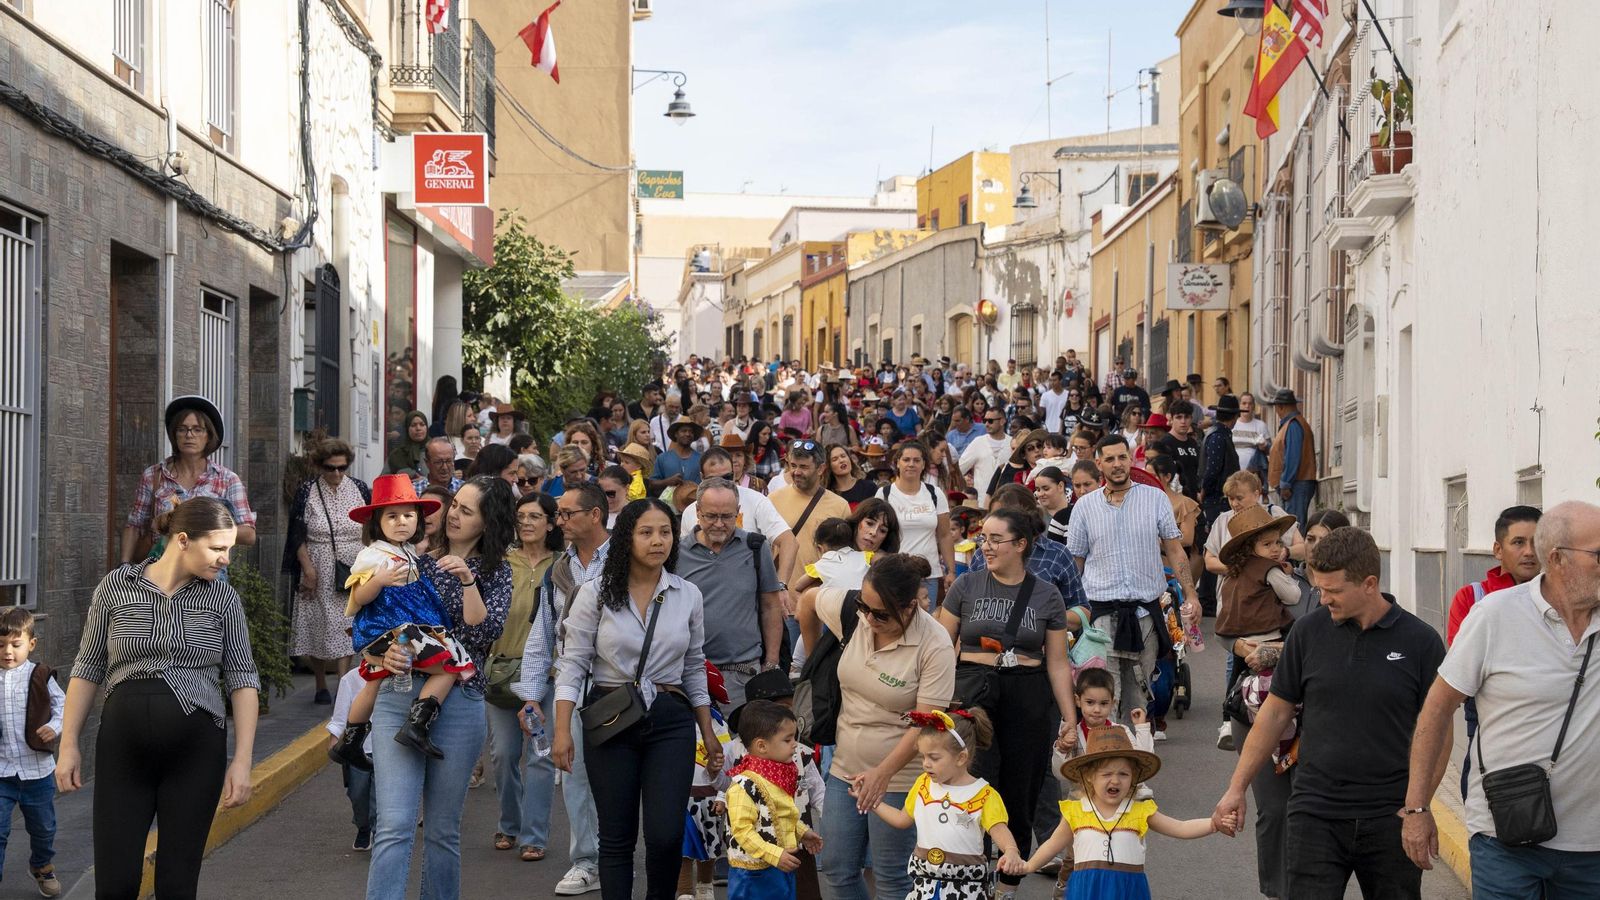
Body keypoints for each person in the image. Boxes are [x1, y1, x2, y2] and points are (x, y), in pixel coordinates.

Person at [1212, 526, 1443, 900]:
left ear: (1369, 584)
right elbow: (1274, 714)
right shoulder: (1307, 633)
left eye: (1333, 591)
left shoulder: (1420, 642)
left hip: (1390, 815)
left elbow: (1439, 733)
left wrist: (1419, 808)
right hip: (1314, 811)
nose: (1321, 600)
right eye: (1318, 589)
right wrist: (1236, 788)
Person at [60, 497, 260, 899]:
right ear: (183, 540)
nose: (226, 560)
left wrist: (242, 761)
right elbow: (87, 669)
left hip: (195, 756)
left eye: (230, 550)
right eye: (218, 549)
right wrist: (68, 745)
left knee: (176, 884)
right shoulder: (116, 587)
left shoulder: (223, 600)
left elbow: (243, 677)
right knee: (114, 886)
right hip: (122, 754)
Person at [1403, 501, 1600, 898]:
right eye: (1598, 554)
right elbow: (1438, 708)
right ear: (1558, 558)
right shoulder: (1494, 615)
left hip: (1592, 850)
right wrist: (1417, 808)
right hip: (1504, 838)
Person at [551, 499, 725, 900]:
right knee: (617, 837)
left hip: (670, 718)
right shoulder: (594, 593)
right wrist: (562, 731)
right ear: (626, 538)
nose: (657, 541)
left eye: (665, 532)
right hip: (611, 716)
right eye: (646, 532)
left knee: (666, 835)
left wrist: (708, 731)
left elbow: (694, 665)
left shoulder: (687, 594)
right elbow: (572, 665)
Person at [364, 476, 515, 900]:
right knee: (394, 825)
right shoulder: (413, 561)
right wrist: (381, 656)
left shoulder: (497, 572)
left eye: (467, 511)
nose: (453, 514)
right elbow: (368, 623)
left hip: (460, 704)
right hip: (398, 695)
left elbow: (483, 632)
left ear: (489, 522)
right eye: (455, 506)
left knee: (444, 831)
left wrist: (469, 579)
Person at [936, 508, 1076, 896]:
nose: (987, 546)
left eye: (996, 540)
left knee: (1022, 787)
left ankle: (1008, 884)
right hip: (973, 694)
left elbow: (1057, 662)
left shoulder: (1047, 595)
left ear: (1021, 545)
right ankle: (972, 877)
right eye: (984, 539)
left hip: (1028, 694)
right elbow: (941, 648)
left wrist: (1069, 717)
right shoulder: (966, 586)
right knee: (972, 782)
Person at [812, 554, 956, 900]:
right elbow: (807, 599)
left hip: (899, 778)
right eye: (864, 606)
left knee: (892, 876)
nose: (869, 618)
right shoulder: (857, 615)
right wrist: (812, 658)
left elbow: (929, 723)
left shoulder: (934, 643)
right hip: (845, 768)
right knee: (836, 867)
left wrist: (883, 773)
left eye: (881, 614)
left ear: (909, 608)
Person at [330, 476, 466, 766]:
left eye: (408, 515)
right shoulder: (373, 554)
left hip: (396, 627)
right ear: (377, 522)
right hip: (389, 629)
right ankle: (417, 725)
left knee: (372, 681)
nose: (401, 521)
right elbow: (359, 597)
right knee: (451, 663)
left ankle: (349, 742)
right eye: (392, 516)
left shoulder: (407, 552)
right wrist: (377, 581)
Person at [518, 482, 609, 895]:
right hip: (570, 684)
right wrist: (531, 697)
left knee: (619, 776)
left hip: (616, 683)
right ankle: (585, 861)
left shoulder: (627, 559)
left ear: (595, 515)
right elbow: (542, 636)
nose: (560, 521)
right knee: (574, 774)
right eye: (559, 514)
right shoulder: (559, 569)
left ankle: (615, 855)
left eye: (567, 513)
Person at [1067, 435, 1195, 721]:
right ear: (1099, 463)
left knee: (1139, 695)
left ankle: (1135, 756)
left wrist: (1192, 594)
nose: (1117, 464)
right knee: (1103, 700)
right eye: (1109, 459)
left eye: (1122, 457)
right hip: (1100, 617)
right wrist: (1063, 609)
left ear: (1130, 459)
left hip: (1145, 615)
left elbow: (1175, 549)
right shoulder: (1084, 507)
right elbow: (1075, 563)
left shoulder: (1155, 498)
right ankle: (1106, 759)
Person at [1028, 727, 1230, 899]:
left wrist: (1213, 824)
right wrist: (1027, 866)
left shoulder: (1139, 810)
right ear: (1089, 776)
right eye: (1106, 774)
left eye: (1123, 774)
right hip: (1087, 890)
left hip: (1129, 890)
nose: (1115, 780)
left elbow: (1180, 827)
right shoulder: (1077, 810)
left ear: (1133, 778)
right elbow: (1051, 845)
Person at [858, 709, 1022, 900]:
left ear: (961, 758)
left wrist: (1011, 852)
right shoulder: (923, 784)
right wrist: (871, 802)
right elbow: (902, 819)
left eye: (934, 758)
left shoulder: (984, 795)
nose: (926, 764)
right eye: (923, 757)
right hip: (924, 885)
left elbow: (1000, 832)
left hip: (965, 889)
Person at [484, 492, 560, 862]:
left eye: (535, 516)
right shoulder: (499, 563)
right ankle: (508, 823)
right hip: (502, 671)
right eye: (521, 516)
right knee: (503, 754)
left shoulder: (562, 565)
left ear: (550, 522)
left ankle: (534, 836)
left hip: (547, 674)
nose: (527, 522)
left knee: (541, 756)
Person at [677, 479, 785, 708]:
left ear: (738, 512)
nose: (719, 524)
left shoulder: (755, 547)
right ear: (697, 513)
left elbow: (770, 605)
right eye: (710, 516)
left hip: (743, 673)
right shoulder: (677, 553)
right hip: (691, 672)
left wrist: (771, 663)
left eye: (727, 517)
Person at [123, 395, 257, 564]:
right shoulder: (154, 476)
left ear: (208, 435)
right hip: (160, 571)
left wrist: (208, 530)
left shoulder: (227, 479)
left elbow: (249, 534)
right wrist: (124, 565)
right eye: (182, 429)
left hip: (209, 576)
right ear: (174, 435)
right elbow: (134, 525)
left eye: (197, 429)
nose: (189, 435)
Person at [284, 439, 370, 704]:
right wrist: (307, 569)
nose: (336, 473)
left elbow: (372, 528)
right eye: (330, 468)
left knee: (347, 626)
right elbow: (296, 535)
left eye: (341, 468)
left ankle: (344, 687)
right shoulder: (307, 491)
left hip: (353, 566)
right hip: (317, 563)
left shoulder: (360, 489)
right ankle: (321, 684)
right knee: (317, 625)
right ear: (320, 466)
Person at [724, 700, 825, 900]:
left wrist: (802, 832)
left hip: (779, 864)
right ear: (762, 746)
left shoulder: (776, 776)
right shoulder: (743, 785)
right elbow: (743, 832)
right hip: (753, 873)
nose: (795, 744)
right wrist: (774, 854)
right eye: (787, 740)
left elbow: (778, 816)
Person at [0, 608, 64, 897]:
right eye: (0, 645)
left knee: (43, 828)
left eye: (15, 645)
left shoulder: (40, 675)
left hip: (37, 771)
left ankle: (41, 865)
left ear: (31, 644)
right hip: (2, 772)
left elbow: (64, 707)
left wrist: (54, 726)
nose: (7, 652)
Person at [1446, 505, 1543, 645]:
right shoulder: (1470, 598)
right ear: (1498, 550)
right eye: (1518, 542)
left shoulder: (1557, 599)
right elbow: (1463, 660)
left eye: (1536, 542)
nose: (1529, 552)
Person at [879, 441, 954, 608]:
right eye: (906, 460)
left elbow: (945, 535)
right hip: (895, 573)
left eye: (916, 460)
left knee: (926, 627)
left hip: (929, 574)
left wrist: (951, 571)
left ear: (924, 465)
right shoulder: (884, 494)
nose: (911, 464)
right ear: (897, 463)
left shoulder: (935, 493)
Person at [769, 440, 852, 591]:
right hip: (783, 600)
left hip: (822, 601)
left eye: (804, 467)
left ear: (821, 469)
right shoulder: (773, 500)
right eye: (793, 465)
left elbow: (846, 557)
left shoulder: (840, 506)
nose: (796, 472)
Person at [328, 665, 378, 852]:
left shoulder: (400, 676)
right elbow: (340, 718)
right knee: (357, 794)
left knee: (379, 799)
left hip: (386, 749)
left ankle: (377, 833)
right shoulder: (351, 679)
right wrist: (334, 741)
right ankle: (363, 827)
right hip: (358, 750)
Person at [1265, 389, 1317, 527]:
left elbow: (1292, 458)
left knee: (1294, 526)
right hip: (1297, 482)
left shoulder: (1293, 425)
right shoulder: (1293, 424)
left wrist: (1286, 484)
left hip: (1296, 483)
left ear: (1280, 406)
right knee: (1292, 524)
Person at [958, 405, 1013, 508]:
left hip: (1007, 503)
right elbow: (960, 468)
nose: (986, 424)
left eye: (990, 421)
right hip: (981, 503)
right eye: (985, 420)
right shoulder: (978, 442)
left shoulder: (1012, 443)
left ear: (1002, 421)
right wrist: (965, 479)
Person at [1154, 405, 1201, 500]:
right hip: (1174, 498)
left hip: (1194, 497)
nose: (1183, 421)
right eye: (1179, 417)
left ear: (1191, 419)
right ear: (1171, 419)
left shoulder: (1193, 443)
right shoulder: (1165, 442)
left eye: (1186, 417)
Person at [651, 417, 706, 494]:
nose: (687, 434)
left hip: (695, 502)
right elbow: (652, 484)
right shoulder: (663, 458)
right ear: (676, 434)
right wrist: (667, 482)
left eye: (691, 432)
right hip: (669, 503)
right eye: (683, 431)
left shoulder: (701, 459)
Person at [824, 444, 877, 509]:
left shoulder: (869, 487)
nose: (841, 460)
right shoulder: (827, 495)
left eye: (843, 456)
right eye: (835, 459)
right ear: (829, 466)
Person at [1231, 392, 1272, 474]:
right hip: (1233, 473)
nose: (1247, 406)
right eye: (1244, 403)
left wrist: (1264, 446)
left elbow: (1271, 450)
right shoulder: (1232, 424)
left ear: (1254, 406)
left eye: (1250, 403)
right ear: (1239, 406)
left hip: (1254, 474)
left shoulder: (1261, 425)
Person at [1032, 466, 1072, 542]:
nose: (1040, 494)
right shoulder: (1034, 516)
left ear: (1060, 486)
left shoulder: (1076, 513)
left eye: (1046, 489)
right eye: (1038, 489)